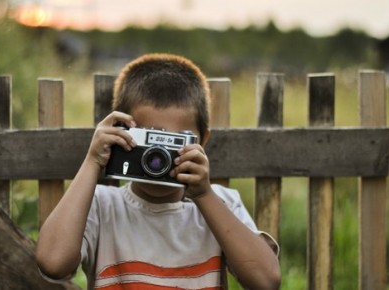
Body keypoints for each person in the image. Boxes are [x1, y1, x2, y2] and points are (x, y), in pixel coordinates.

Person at [36, 53, 281, 290]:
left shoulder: (223, 204)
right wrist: (92, 161)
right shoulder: (101, 206)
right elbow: (53, 263)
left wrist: (204, 195)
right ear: (121, 134)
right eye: (149, 143)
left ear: (201, 141)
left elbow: (266, 281)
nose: (157, 158)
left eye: (172, 143)